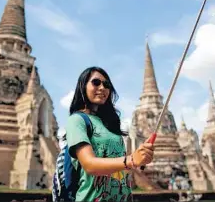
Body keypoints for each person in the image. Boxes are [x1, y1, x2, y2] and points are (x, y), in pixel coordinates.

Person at [65, 66, 155, 201]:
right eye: (96, 82)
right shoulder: (77, 120)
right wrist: (131, 160)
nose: (102, 88)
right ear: (83, 86)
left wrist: (141, 158)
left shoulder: (111, 125)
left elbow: (119, 167)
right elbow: (89, 165)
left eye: (106, 85)